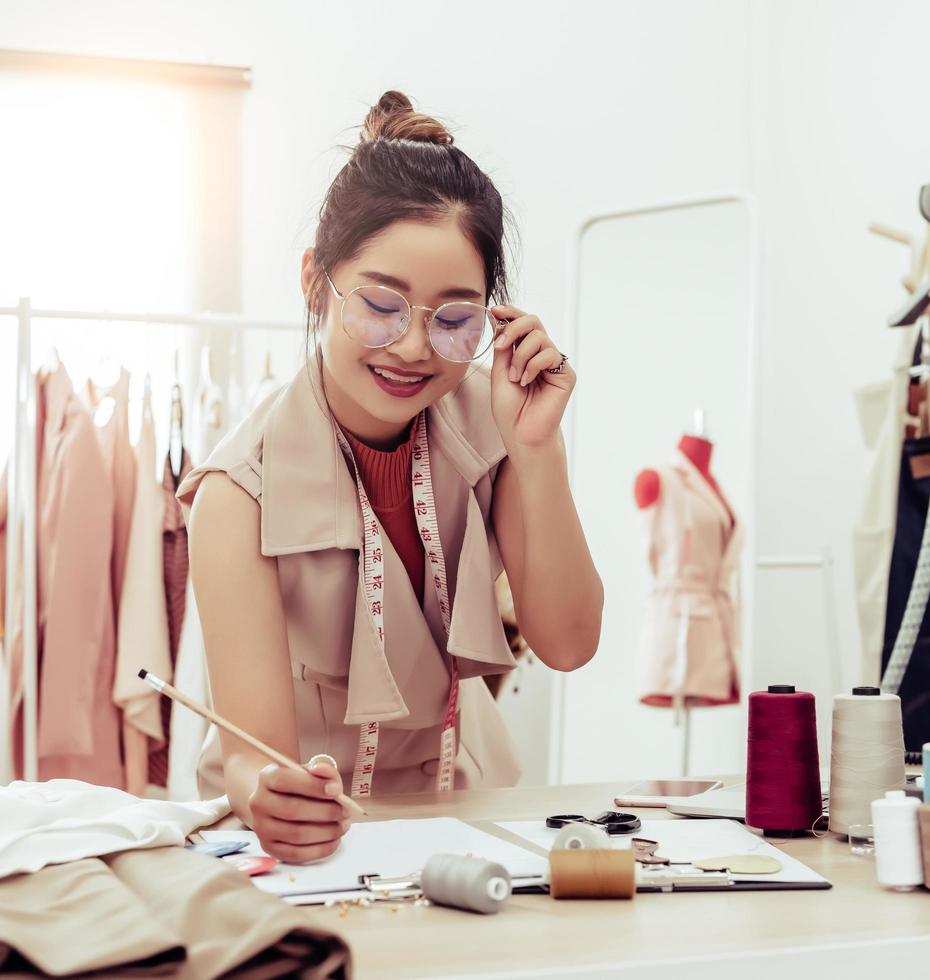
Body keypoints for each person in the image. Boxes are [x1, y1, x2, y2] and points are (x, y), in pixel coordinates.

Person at [181, 91, 602, 862]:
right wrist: (264, 793)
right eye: (379, 305)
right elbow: (251, 752)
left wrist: (538, 450)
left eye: (452, 319)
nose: (410, 347)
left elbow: (570, 642)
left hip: (469, 813)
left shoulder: (497, 426)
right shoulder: (235, 494)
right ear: (314, 283)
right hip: (306, 843)